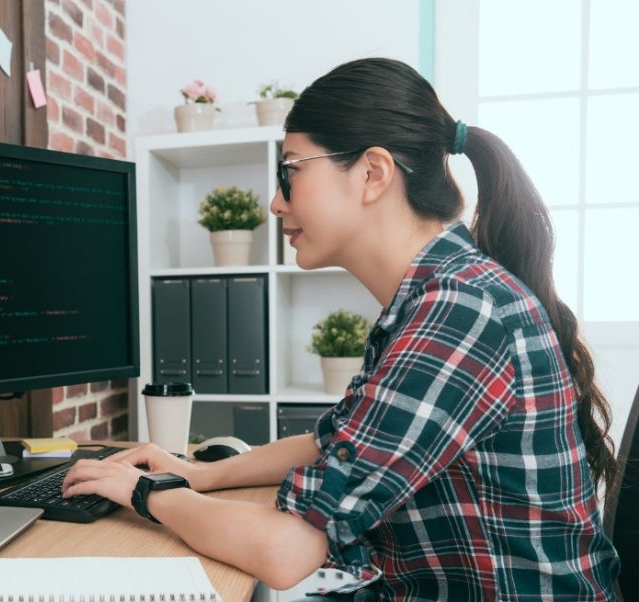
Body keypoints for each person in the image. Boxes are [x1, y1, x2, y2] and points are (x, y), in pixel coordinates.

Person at [61, 58, 620, 600]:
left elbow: (285, 551)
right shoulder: (433, 298)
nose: (276, 203)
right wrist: (196, 475)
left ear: (372, 173)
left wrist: (145, 493)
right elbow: (331, 444)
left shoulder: (459, 311)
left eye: (291, 172)